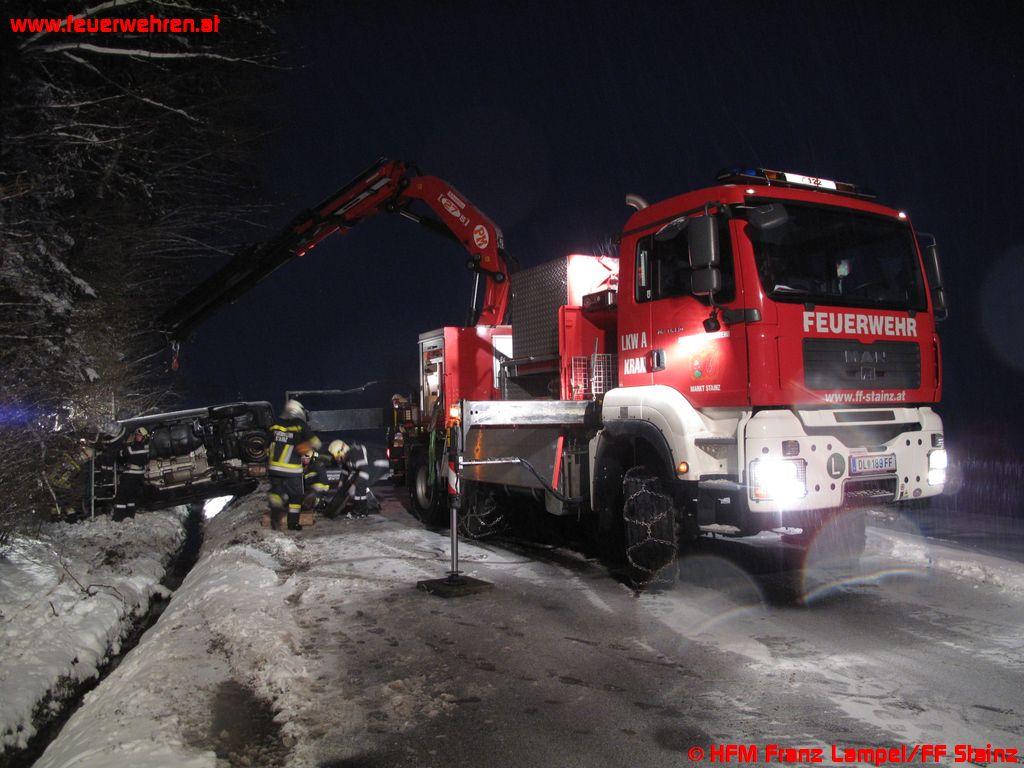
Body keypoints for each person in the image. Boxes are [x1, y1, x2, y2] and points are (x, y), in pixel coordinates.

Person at [267, 399, 313, 531]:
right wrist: (305, 450)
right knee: (296, 498)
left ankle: (276, 513)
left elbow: (266, 445)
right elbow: (314, 442)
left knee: (276, 493)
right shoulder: (299, 425)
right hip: (292, 470)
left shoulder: (274, 425)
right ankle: (293, 524)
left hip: (274, 469)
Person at [328, 439, 385, 517]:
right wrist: (341, 483)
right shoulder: (346, 456)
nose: (337, 458)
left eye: (337, 456)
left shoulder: (355, 453)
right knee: (353, 484)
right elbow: (345, 471)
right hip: (369, 468)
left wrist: (355, 485)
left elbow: (364, 472)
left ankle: (362, 510)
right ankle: (369, 505)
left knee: (358, 486)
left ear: (341, 451)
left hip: (376, 467)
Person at [113, 426, 149, 521]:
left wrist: (122, 446)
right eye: (137, 435)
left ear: (144, 437)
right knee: (132, 497)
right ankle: (129, 516)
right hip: (139, 475)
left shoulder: (131, 448)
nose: (137, 437)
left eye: (139, 436)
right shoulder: (147, 448)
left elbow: (121, 455)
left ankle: (118, 518)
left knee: (122, 496)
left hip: (130, 475)